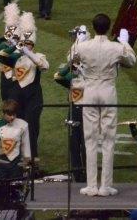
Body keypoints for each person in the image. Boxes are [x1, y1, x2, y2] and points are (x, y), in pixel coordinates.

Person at [77, 17, 137, 196]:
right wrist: (125, 43)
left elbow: (70, 57)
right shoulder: (116, 47)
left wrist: (79, 40)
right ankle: (105, 186)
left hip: (89, 90)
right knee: (109, 138)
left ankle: (91, 185)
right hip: (108, 91)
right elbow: (132, 61)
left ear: (94, 27)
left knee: (90, 138)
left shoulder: (84, 46)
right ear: (109, 28)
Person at [0, 12, 48, 159]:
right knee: (15, 125)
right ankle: (17, 158)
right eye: (25, 44)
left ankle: (32, 159)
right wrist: (15, 46)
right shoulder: (16, 57)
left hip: (33, 96)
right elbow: (1, 56)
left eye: (29, 44)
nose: (26, 46)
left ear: (33, 45)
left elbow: (44, 66)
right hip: (17, 95)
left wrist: (27, 52)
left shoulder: (39, 56)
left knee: (32, 127)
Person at [53, 24, 91, 183]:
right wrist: (71, 64)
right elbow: (58, 76)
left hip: (88, 111)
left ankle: (89, 174)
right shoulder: (73, 79)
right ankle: (78, 174)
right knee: (74, 144)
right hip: (74, 109)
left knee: (87, 144)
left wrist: (82, 69)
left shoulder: (92, 77)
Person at [0, 100, 32, 210]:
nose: (12, 117)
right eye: (9, 115)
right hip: (0, 166)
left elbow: (26, 146)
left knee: (16, 195)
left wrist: (27, 164)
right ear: (3, 113)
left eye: (14, 114)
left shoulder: (23, 125)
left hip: (16, 165)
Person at [0, 3, 21, 103]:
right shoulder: (3, 46)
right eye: (10, 36)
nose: (11, 39)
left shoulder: (22, 50)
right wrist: (2, 38)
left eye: (14, 37)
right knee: (5, 103)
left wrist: (16, 45)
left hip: (17, 79)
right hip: (5, 78)